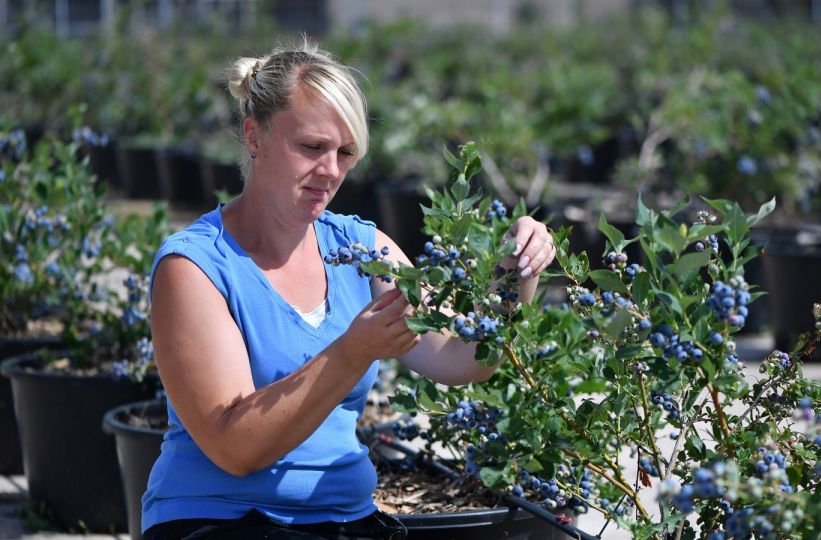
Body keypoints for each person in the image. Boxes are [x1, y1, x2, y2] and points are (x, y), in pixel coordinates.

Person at [142, 39, 555, 540]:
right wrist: (352, 352)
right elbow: (235, 449)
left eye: (345, 152)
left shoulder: (361, 248)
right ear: (254, 137)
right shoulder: (196, 266)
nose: (331, 171)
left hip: (343, 520)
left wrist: (517, 272)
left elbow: (462, 358)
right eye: (312, 147)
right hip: (218, 519)